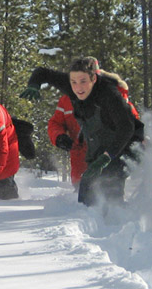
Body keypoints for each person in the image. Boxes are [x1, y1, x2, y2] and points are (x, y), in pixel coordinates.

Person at [21, 57, 142, 206]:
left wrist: (107, 157)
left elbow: (127, 127)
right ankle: (89, 216)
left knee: (110, 189)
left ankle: (118, 221)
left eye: (83, 81)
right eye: (74, 82)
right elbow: (42, 72)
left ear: (94, 79)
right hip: (97, 147)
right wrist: (34, 84)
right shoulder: (73, 86)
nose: (78, 87)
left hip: (124, 146)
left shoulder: (110, 95)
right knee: (87, 192)